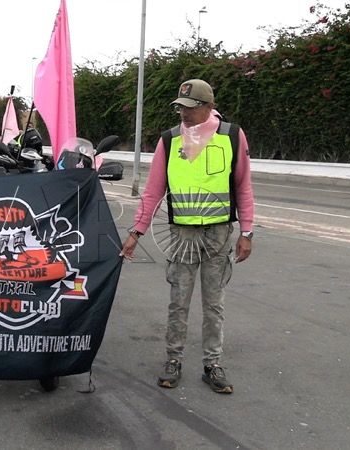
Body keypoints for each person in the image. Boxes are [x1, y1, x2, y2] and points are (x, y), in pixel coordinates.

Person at [119, 79, 254, 395]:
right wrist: (136, 232)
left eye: (191, 108)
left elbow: (243, 186)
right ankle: (173, 360)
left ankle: (212, 364)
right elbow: (153, 191)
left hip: (219, 233)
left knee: (214, 303)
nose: (184, 113)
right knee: (178, 301)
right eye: (180, 107)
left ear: (209, 107)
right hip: (182, 235)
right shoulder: (170, 140)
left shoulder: (231, 136)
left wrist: (247, 231)